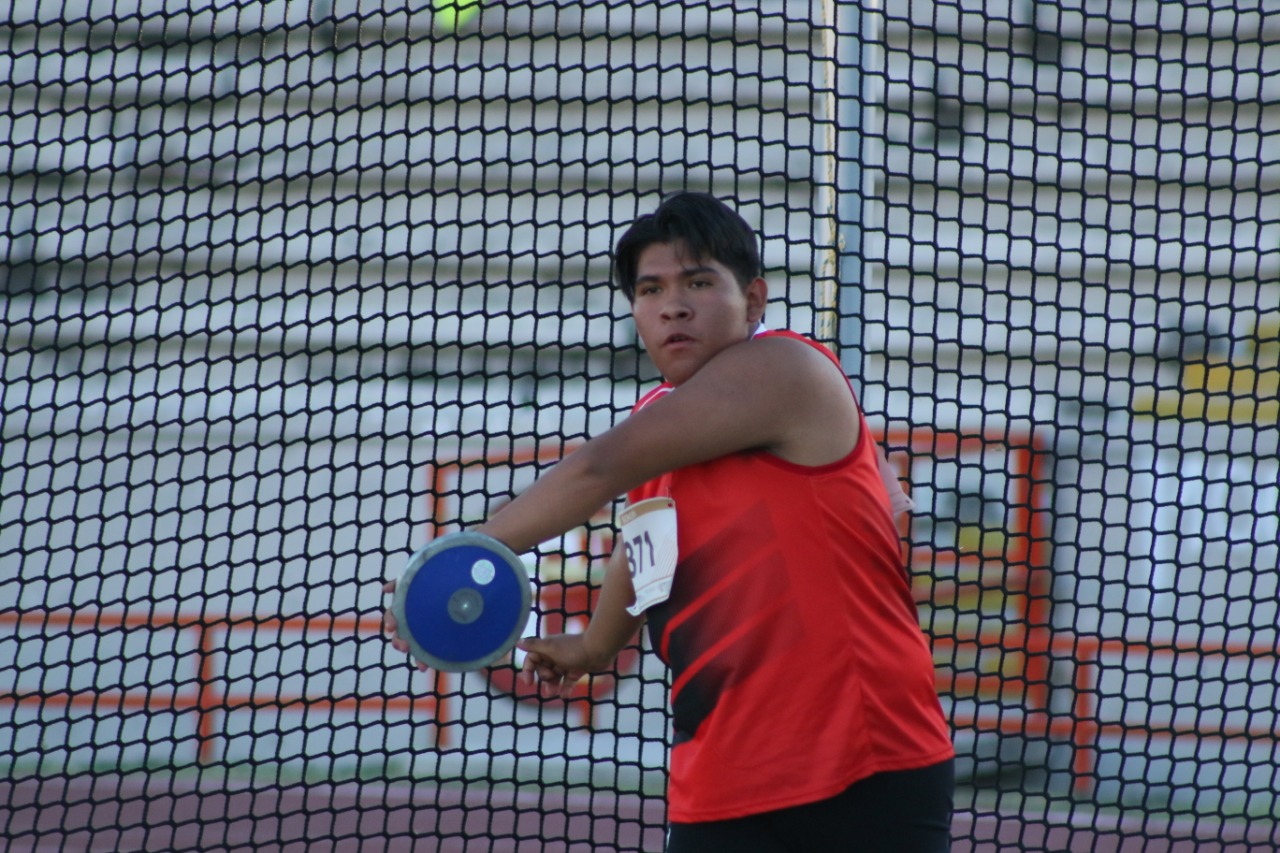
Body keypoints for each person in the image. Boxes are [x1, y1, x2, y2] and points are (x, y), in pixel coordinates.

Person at [384, 192, 955, 852]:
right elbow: (646, 544)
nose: (673, 304)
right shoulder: (664, 415)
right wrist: (596, 646)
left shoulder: (785, 368)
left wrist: (449, 565)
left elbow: (596, 470)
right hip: (722, 770)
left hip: (862, 760)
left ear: (756, 300)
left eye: (699, 282)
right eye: (650, 288)